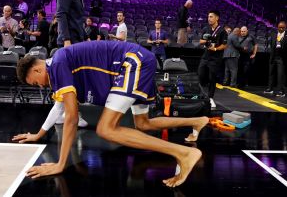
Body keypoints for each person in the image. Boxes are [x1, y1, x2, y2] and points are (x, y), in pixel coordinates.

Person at [13, 41, 208, 188]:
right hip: (137, 61)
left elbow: (71, 117)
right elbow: (60, 107)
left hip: (131, 62)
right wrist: (38, 134)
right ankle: (197, 121)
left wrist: (60, 164)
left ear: (38, 69)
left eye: (35, 82)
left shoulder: (56, 65)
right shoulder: (58, 64)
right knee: (143, 123)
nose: (39, 86)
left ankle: (184, 153)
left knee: (105, 129)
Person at [198, 10, 228, 108]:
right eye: (208, 17)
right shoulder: (206, 29)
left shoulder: (222, 31)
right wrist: (207, 40)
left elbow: (224, 45)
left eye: (211, 17)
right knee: (200, 75)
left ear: (217, 18)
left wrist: (215, 48)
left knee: (212, 78)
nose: (209, 18)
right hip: (205, 56)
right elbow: (200, 41)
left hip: (215, 58)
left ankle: (210, 98)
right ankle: (201, 95)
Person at [264, 21, 287, 97]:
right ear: (277, 27)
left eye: (282, 27)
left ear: (285, 27)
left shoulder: (286, 35)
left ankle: (281, 90)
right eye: (279, 27)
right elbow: (272, 44)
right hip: (273, 56)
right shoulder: (274, 34)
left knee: (280, 75)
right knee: (271, 73)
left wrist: (281, 45)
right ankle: (270, 89)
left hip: (282, 57)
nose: (281, 29)